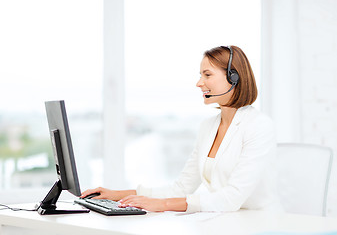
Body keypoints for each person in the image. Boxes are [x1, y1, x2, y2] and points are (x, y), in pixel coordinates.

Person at [81, 45, 282, 213]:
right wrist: (119, 195)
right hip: (225, 223)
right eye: (200, 75)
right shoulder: (208, 127)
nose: (199, 83)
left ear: (233, 78)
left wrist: (163, 205)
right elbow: (182, 188)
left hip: (259, 224)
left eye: (207, 74)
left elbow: (231, 198)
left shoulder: (259, 126)